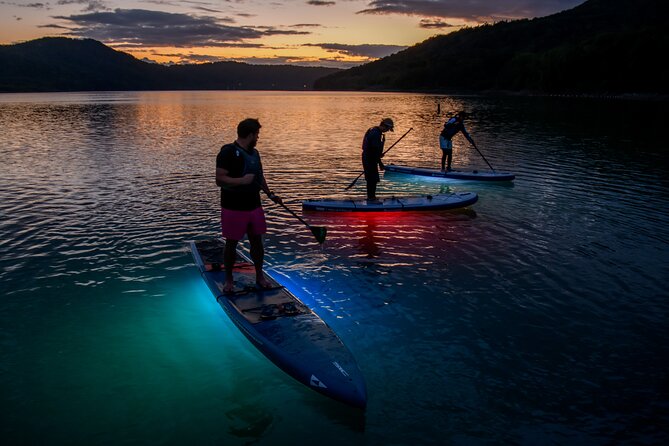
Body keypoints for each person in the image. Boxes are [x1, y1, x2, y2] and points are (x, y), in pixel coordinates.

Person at [216, 118, 282, 293]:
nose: (258, 138)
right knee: (232, 243)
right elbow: (219, 179)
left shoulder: (255, 153)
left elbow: (260, 177)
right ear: (250, 134)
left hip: (254, 205)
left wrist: (270, 194)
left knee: (257, 242)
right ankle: (228, 280)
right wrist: (241, 180)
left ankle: (260, 276)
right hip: (233, 207)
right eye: (257, 135)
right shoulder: (227, 152)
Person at [362, 117, 394, 201]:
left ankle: (371, 197)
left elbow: (375, 150)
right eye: (388, 129)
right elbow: (373, 150)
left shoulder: (375, 131)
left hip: (370, 157)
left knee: (373, 178)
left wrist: (379, 154)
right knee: (372, 179)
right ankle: (371, 197)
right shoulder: (375, 133)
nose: (387, 131)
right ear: (384, 126)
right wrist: (380, 163)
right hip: (369, 158)